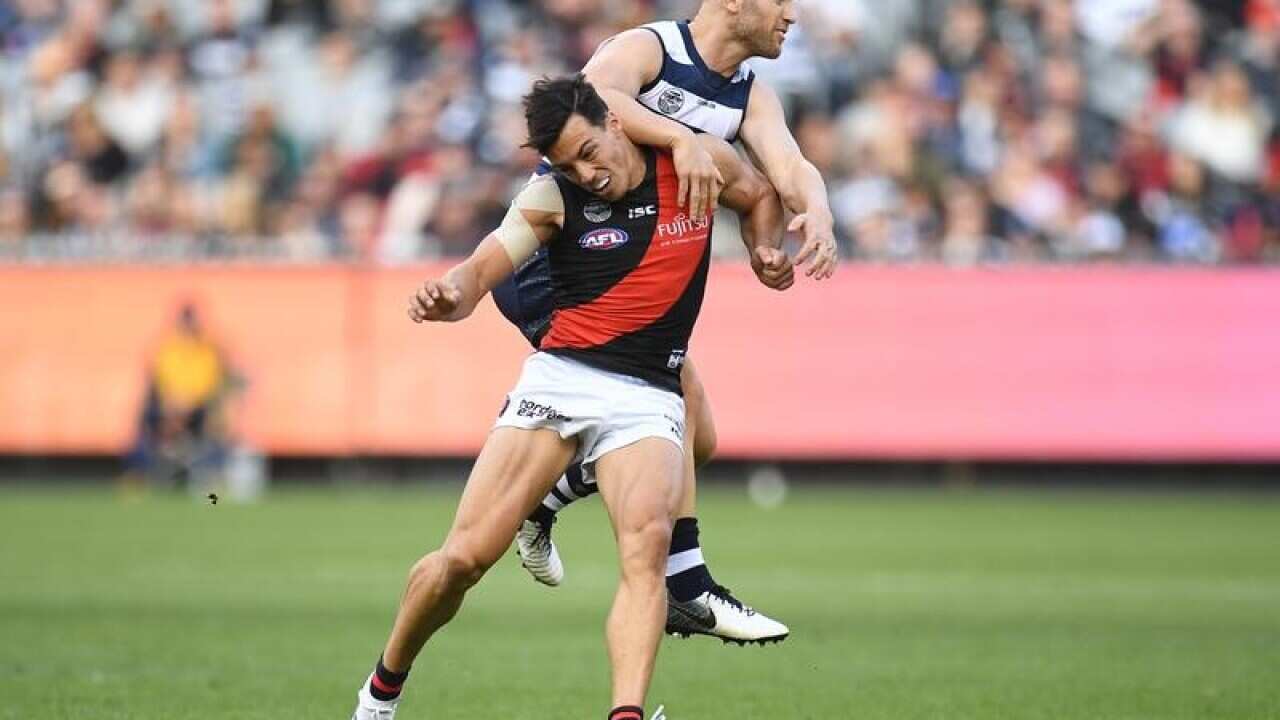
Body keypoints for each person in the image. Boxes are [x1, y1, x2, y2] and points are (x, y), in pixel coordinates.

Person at [350, 74, 786, 720]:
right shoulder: (553, 197)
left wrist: (766, 250)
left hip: (648, 393)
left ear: (616, 124)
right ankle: (380, 693)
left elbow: (761, 196)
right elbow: (480, 270)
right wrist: (450, 294)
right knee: (462, 562)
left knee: (647, 549)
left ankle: (627, 714)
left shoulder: (696, 163)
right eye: (567, 165)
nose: (587, 173)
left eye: (589, 152)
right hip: (561, 383)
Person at [498, 0, 837, 645]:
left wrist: (802, 222)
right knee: (668, 408)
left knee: (695, 440)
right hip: (560, 262)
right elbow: (594, 96)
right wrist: (682, 138)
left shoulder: (749, 96)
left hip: (625, 274)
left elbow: (784, 172)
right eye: (781, 0)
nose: (792, 13)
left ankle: (548, 497)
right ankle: (688, 584)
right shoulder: (651, 49)